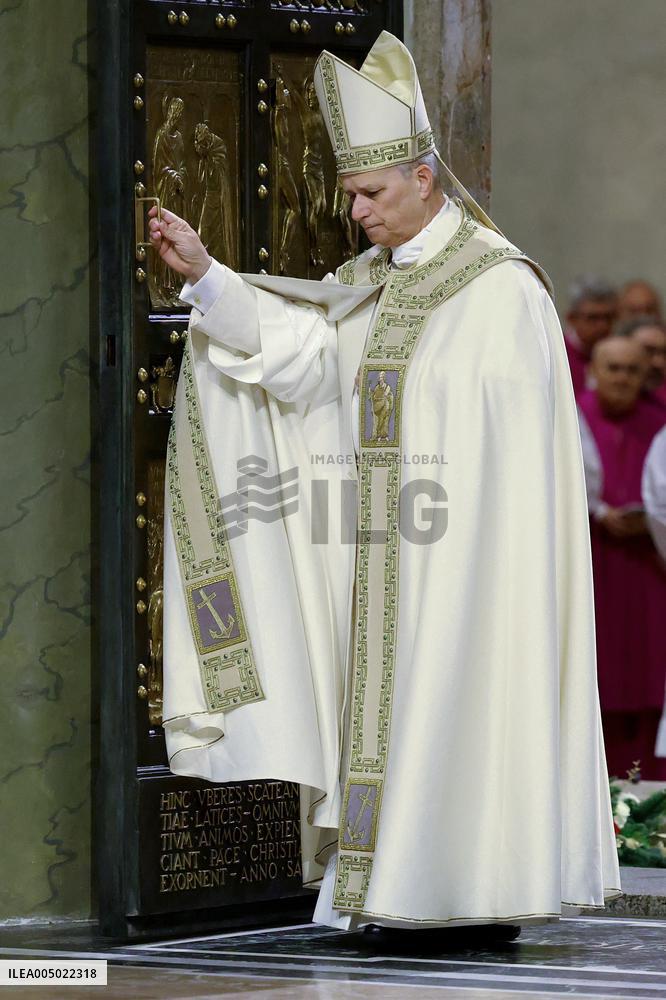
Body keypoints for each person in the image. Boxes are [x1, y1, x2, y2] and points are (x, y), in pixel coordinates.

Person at [152, 31, 619, 937]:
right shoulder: (369, 282)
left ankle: (473, 894)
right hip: (376, 560)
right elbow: (307, 366)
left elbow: (509, 464)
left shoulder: (500, 288)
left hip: (469, 570)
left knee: (463, 704)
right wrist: (209, 278)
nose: (357, 212)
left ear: (425, 178)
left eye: (370, 193)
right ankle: (389, 888)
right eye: (352, 194)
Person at [578, 338, 666, 781]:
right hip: (593, 566)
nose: (622, 377)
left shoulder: (658, 422)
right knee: (596, 675)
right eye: (613, 368)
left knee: (650, 674)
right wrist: (597, 512)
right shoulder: (571, 414)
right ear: (595, 369)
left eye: (632, 370)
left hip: (650, 569)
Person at [563, 277, 617, 397]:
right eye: (593, 318)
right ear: (571, 318)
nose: (602, 326)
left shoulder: (621, 355)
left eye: (608, 317)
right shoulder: (557, 354)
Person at [616, 316, 666, 411]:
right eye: (648, 351)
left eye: (664, 353)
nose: (659, 362)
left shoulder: (661, 407)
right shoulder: (582, 414)